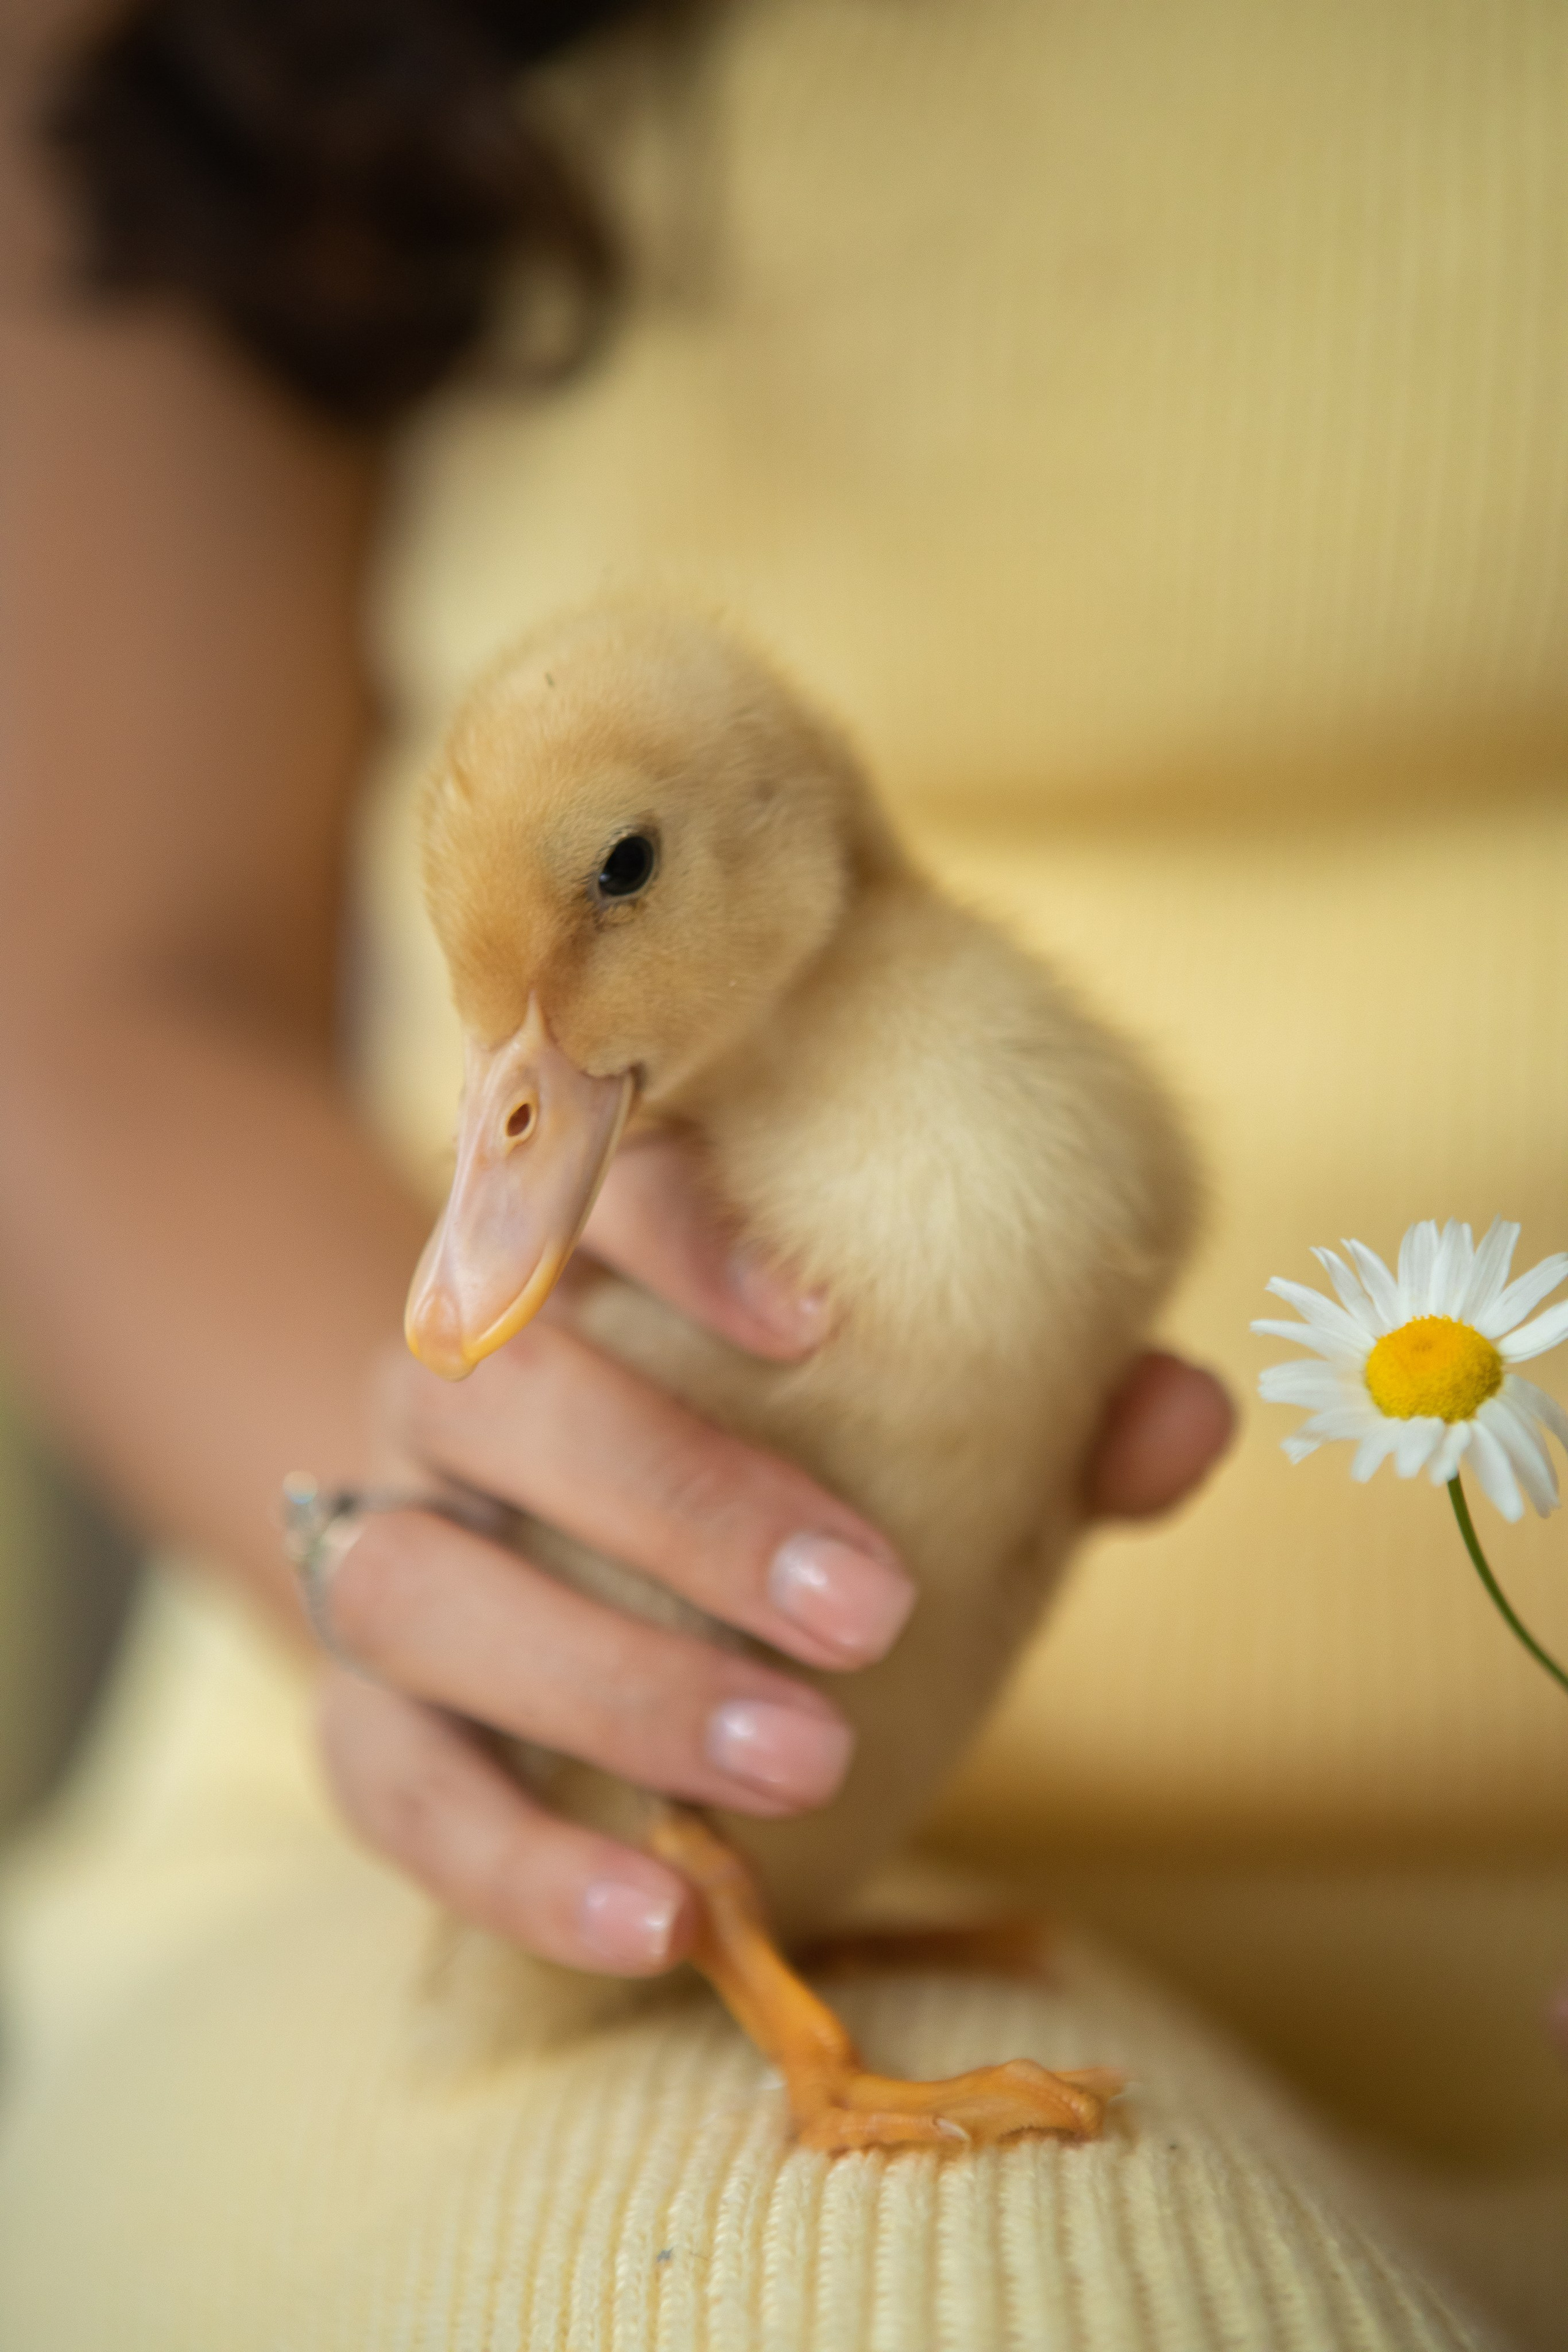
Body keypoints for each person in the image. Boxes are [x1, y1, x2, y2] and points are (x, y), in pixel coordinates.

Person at [0, 4, 1562, 2346]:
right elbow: (97, 1004)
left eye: (622, 889)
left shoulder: (970, 1054)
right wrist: (453, 1534)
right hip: (440, 1849)